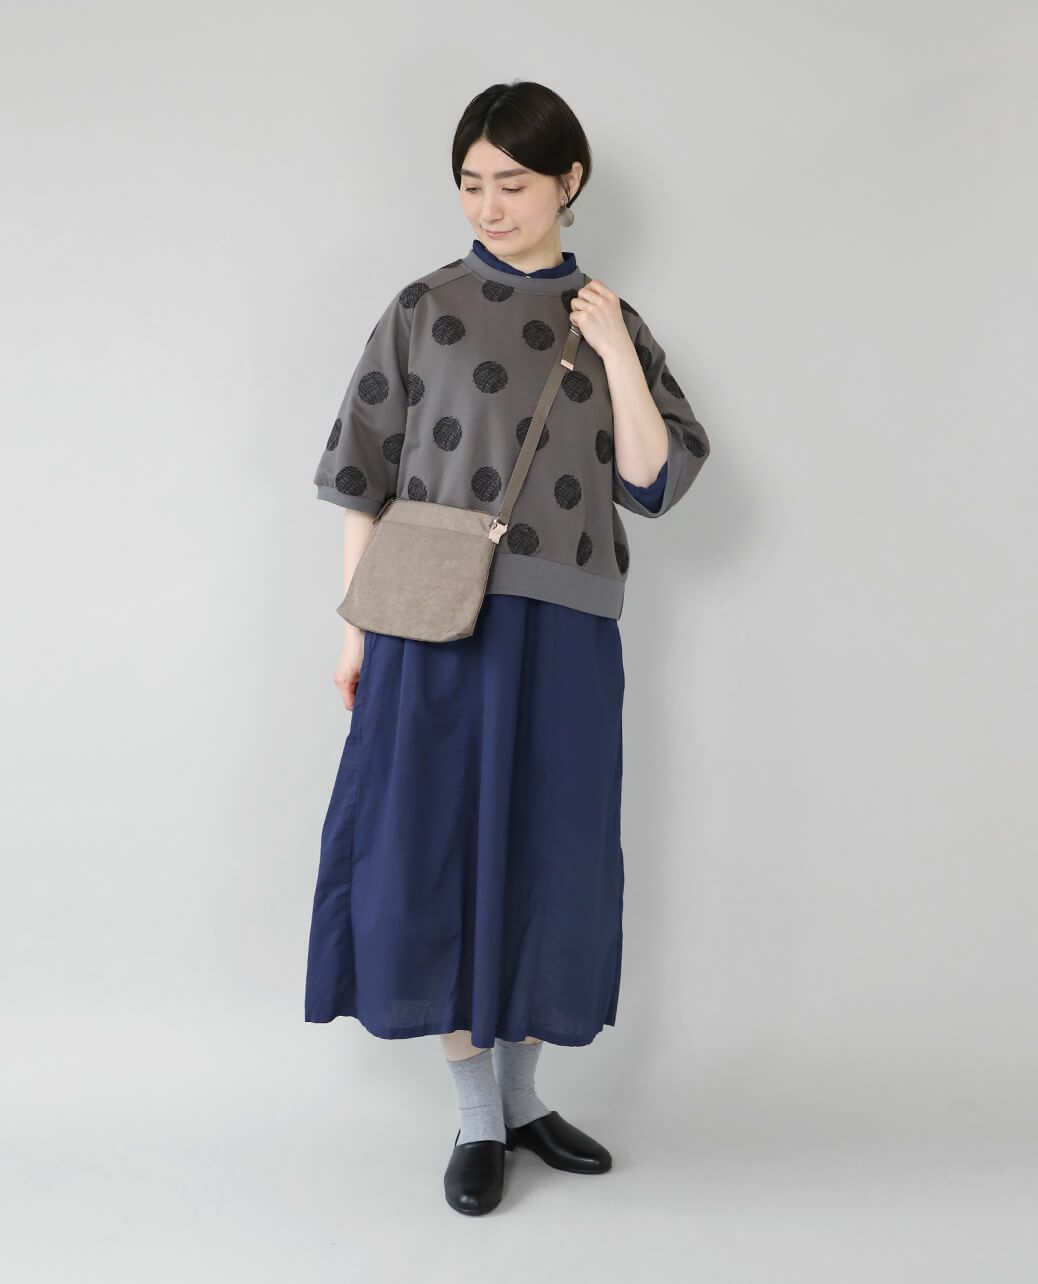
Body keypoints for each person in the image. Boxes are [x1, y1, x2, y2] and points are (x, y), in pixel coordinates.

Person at [304, 80, 711, 1216]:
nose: (490, 205)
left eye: (514, 183)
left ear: (568, 182)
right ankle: (477, 1120)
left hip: (568, 628)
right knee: (432, 855)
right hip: (433, 629)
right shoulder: (423, 307)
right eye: (472, 183)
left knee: (550, 858)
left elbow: (653, 480)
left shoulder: (611, 319)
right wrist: (354, 628)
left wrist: (613, 346)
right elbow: (359, 477)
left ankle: (525, 1102)